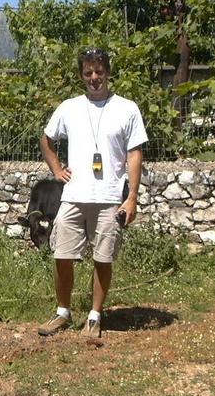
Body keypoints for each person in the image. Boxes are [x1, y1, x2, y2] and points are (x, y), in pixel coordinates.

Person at [38, 47, 148, 339]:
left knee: (103, 257)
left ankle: (94, 316)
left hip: (109, 197)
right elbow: (46, 139)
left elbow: (134, 153)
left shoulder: (127, 108)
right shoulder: (69, 107)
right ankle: (63, 312)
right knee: (62, 254)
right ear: (81, 76)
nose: (94, 77)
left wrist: (132, 198)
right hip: (74, 195)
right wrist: (57, 169)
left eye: (99, 71)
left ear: (108, 72)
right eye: (88, 73)